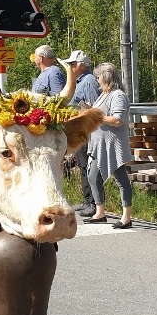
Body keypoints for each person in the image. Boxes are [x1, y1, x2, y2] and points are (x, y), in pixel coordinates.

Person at [83, 63, 133, 229]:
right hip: (99, 144)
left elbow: (117, 120)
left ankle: (126, 217)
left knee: (121, 179)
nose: (97, 80)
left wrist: (94, 116)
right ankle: (100, 212)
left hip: (112, 144)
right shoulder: (103, 94)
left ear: (106, 78)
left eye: (98, 77)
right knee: (92, 176)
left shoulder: (118, 95)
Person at [63, 50, 101, 217]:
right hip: (79, 131)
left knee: (87, 166)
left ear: (82, 65)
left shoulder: (88, 81)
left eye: (72, 64)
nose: (70, 67)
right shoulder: (80, 81)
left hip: (86, 131)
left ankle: (93, 203)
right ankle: (87, 201)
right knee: (82, 165)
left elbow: (94, 109)